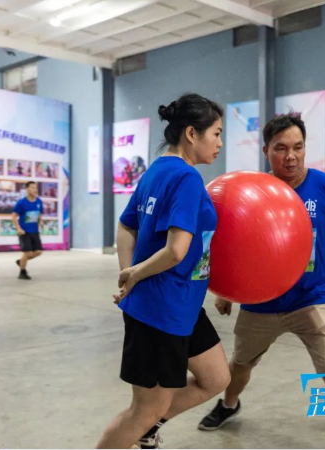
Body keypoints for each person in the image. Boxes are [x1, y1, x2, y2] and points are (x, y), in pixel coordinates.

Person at [197, 114, 325, 449]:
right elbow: (230, 242)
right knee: (240, 365)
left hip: (312, 298)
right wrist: (226, 291)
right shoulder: (250, 191)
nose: (291, 156)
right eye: (281, 148)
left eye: (298, 147)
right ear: (266, 150)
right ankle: (229, 404)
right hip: (261, 302)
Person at [97, 94, 230, 449]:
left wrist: (129, 272)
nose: (219, 143)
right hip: (161, 310)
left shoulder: (156, 170)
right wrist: (134, 274)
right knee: (143, 410)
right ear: (192, 133)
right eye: (216, 133)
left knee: (216, 378)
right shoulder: (186, 178)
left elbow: (126, 226)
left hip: (183, 303)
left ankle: (149, 428)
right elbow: (175, 251)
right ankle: (144, 426)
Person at [11, 181, 44, 280]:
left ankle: (21, 261)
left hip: (34, 231)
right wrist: (19, 229)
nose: (35, 190)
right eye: (32, 188)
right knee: (28, 253)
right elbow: (13, 216)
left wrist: (41, 221)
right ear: (27, 189)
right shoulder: (21, 203)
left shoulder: (39, 202)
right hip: (24, 232)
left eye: (36, 188)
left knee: (38, 252)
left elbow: (39, 214)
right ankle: (22, 272)